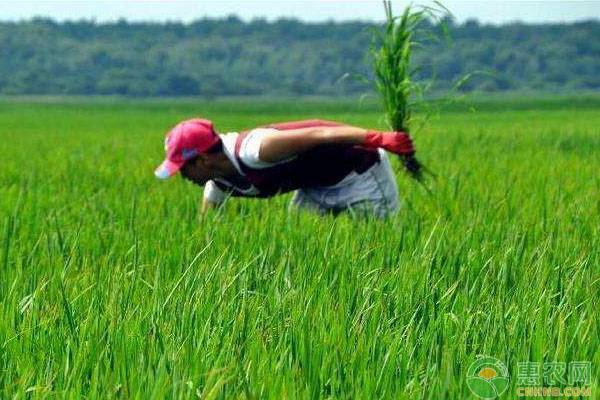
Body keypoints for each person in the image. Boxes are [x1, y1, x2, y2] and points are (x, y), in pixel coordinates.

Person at [154, 118, 420, 218]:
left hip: (360, 176)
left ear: (202, 160)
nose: (184, 177)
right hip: (315, 188)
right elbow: (207, 226)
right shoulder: (219, 180)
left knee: (377, 248)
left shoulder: (257, 149)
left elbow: (320, 132)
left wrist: (380, 138)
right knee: (302, 243)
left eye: (183, 169)